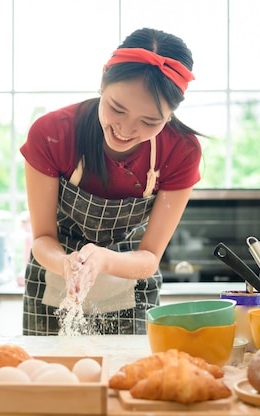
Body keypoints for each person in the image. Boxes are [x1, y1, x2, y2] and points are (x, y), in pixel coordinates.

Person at [20, 28, 203, 336]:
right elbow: (42, 240)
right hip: (54, 277)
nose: (126, 129)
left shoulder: (180, 151)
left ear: (171, 113)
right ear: (103, 80)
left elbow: (149, 258)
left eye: (150, 122)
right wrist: (66, 264)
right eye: (117, 108)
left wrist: (103, 259)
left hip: (130, 281)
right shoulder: (53, 133)